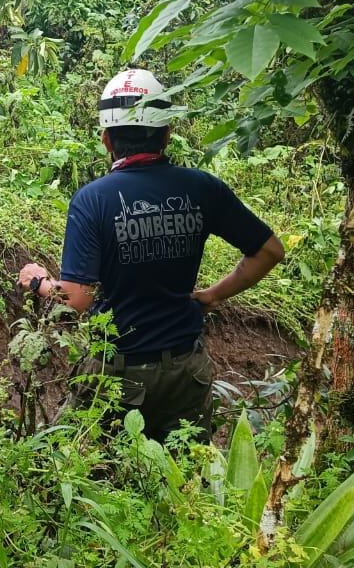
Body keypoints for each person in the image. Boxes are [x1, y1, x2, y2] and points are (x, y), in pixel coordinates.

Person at [17, 69, 284, 444]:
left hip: (119, 375)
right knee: (182, 488)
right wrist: (213, 295)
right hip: (187, 373)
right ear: (167, 132)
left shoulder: (93, 200)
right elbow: (269, 251)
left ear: (106, 140)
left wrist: (38, 282)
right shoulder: (202, 188)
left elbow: (76, 300)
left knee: (84, 472)